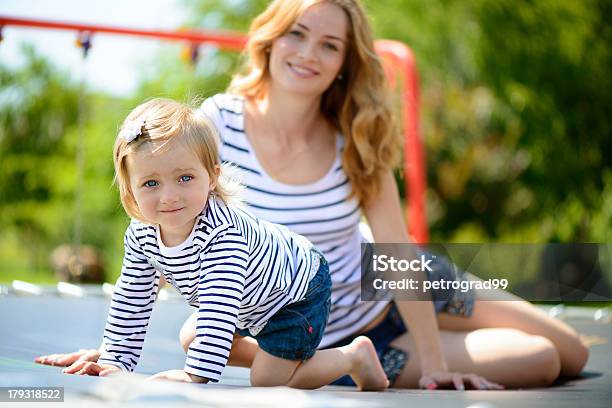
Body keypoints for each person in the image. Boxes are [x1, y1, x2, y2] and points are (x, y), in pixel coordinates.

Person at [37, 0, 588, 390]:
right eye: (297, 34)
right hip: (334, 324)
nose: (309, 53)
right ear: (271, 40)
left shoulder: (357, 131)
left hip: (394, 278)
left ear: (345, 61)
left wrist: (438, 360)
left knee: (573, 351)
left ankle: (432, 340)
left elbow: (395, 246)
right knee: (540, 362)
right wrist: (114, 356)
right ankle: (323, 361)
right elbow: (166, 229)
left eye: (330, 44)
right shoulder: (217, 125)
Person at [53, 97, 389, 390]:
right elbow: (133, 296)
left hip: (296, 293)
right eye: (151, 183)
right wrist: (115, 360)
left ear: (212, 176)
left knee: (267, 381)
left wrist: (195, 375)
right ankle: (276, 354)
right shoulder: (141, 234)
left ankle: (352, 357)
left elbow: (218, 305)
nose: (169, 196)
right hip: (250, 299)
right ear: (131, 191)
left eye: (185, 178)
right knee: (191, 339)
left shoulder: (221, 235)